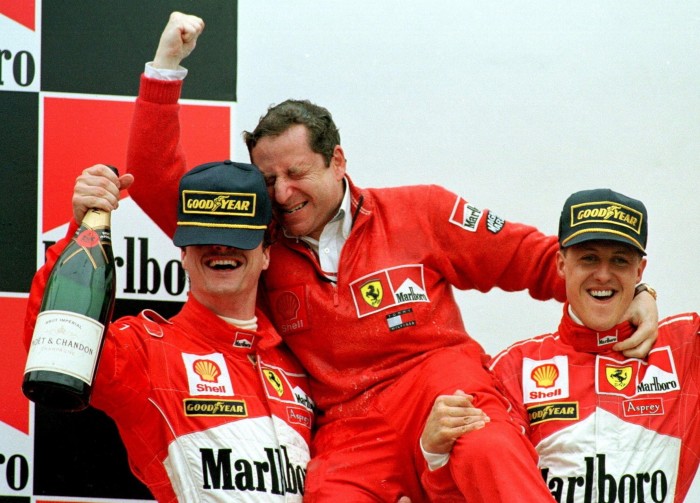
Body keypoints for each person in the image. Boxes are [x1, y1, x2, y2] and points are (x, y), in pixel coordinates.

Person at [122, 12, 660, 502]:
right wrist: (165, 69)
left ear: (337, 160)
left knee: (490, 454)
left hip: (444, 388)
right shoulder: (259, 243)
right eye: (269, 180)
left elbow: (541, 260)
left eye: (296, 174)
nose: (282, 194)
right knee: (328, 496)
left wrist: (637, 294)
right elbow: (161, 188)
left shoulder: (422, 211)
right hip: (350, 424)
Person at [23, 161, 315, 502]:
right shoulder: (146, 350)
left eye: (238, 236)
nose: (221, 247)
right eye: (205, 237)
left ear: (266, 252)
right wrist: (81, 229)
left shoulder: (302, 358)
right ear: (183, 254)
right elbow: (54, 345)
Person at [420, 189, 699, 502]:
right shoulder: (514, 369)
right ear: (562, 264)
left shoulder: (684, 349)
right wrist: (436, 456)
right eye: (588, 258)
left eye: (619, 261)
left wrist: (646, 293)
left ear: (639, 271)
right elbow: (473, 487)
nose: (603, 275)